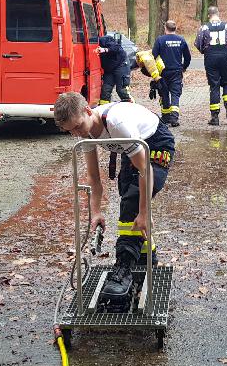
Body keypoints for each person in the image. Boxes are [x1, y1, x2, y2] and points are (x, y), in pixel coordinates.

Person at [54, 92, 174, 312]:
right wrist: (97, 211)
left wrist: (144, 213)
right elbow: (93, 177)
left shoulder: (118, 124)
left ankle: (124, 268)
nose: (76, 133)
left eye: (78, 127)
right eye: (70, 131)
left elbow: (145, 169)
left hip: (156, 143)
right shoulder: (85, 133)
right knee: (127, 200)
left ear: (88, 111)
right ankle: (148, 256)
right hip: (132, 149)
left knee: (134, 202)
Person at [194, 6, 227, 125]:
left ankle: (215, 117)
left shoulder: (204, 28)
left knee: (214, 86)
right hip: (226, 57)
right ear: (218, 14)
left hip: (211, 58)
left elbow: (198, 44)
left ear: (209, 15)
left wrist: (205, 51)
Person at [152, 20, 192, 127]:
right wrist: (184, 67)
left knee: (164, 94)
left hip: (163, 73)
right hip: (176, 72)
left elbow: (153, 56)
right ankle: (174, 118)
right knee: (175, 94)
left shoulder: (160, 40)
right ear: (175, 28)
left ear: (165, 28)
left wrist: (153, 72)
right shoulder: (181, 40)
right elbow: (188, 57)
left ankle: (165, 118)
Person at [96, 33, 132, 104]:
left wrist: (105, 50)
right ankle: (103, 110)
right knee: (105, 91)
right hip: (109, 69)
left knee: (121, 90)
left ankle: (130, 108)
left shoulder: (105, 40)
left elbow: (117, 48)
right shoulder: (90, 43)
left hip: (121, 65)